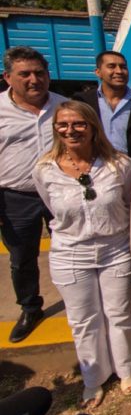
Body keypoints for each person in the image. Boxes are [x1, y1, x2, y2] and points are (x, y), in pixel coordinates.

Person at [32, 101, 131, 409]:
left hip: (115, 249)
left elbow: (129, 204)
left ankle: (126, 368)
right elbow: (52, 209)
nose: (71, 130)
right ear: (55, 129)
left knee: (119, 313)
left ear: (93, 127)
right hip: (70, 253)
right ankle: (94, 378)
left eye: (79, 124)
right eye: (63, 125)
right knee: (83, 319)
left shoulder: (119, 164)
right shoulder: (44, 169)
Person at [1, 46, 67, 343]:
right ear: (7, 77)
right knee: (21, 256)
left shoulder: (65, 108)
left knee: (69, 250)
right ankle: (30, 307)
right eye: (24, 74)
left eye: (39, 73)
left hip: (59, 192)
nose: (33, 80)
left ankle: (79, 301)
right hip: (16, 196)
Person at [73, 50, 131, 160]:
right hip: (94, 170)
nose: (119, 71)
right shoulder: (83, 102)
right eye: (112, 66)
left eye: (123, 67)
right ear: (98, 72)